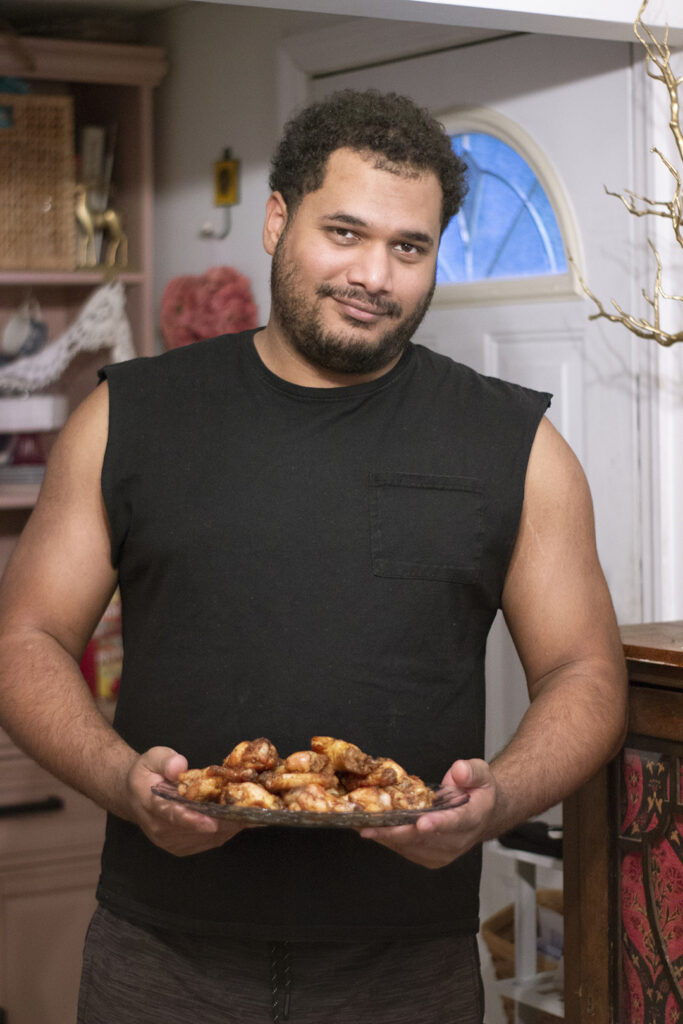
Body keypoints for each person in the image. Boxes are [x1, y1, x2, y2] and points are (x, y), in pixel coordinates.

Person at [0, 90, 627, 1024]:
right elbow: (27, 640)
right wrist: (120, 784)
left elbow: (586, 672)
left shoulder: (516, 445)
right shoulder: (128, 416)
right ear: (276, 219)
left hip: (406, 966)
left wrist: (496, 801)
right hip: (161, 955)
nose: (373, 273)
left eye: (408, 248)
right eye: (345, 231)